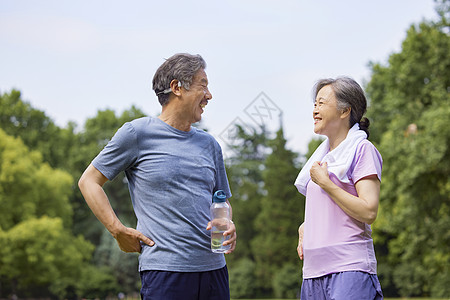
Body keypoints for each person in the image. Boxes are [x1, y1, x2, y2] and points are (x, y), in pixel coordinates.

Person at [78, 53, 236, 300]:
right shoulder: (137, 134)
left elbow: (221, 201)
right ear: (177, 87)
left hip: (214, 272)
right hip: (165, 273)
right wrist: (117, 229)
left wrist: (228, 223)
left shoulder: (210, 145)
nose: (209, 95)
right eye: (203, 85)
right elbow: (89, 181)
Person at [294, 77, 383, 299]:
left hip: (349, 270)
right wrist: (307, 225)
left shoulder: (362, 150)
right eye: (314, 103)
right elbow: (333, 210)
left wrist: (326, 183)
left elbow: (368, 211)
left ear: (345, 111)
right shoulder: (322, 158)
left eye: (322, 103)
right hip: (313, 273)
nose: (315, 108)